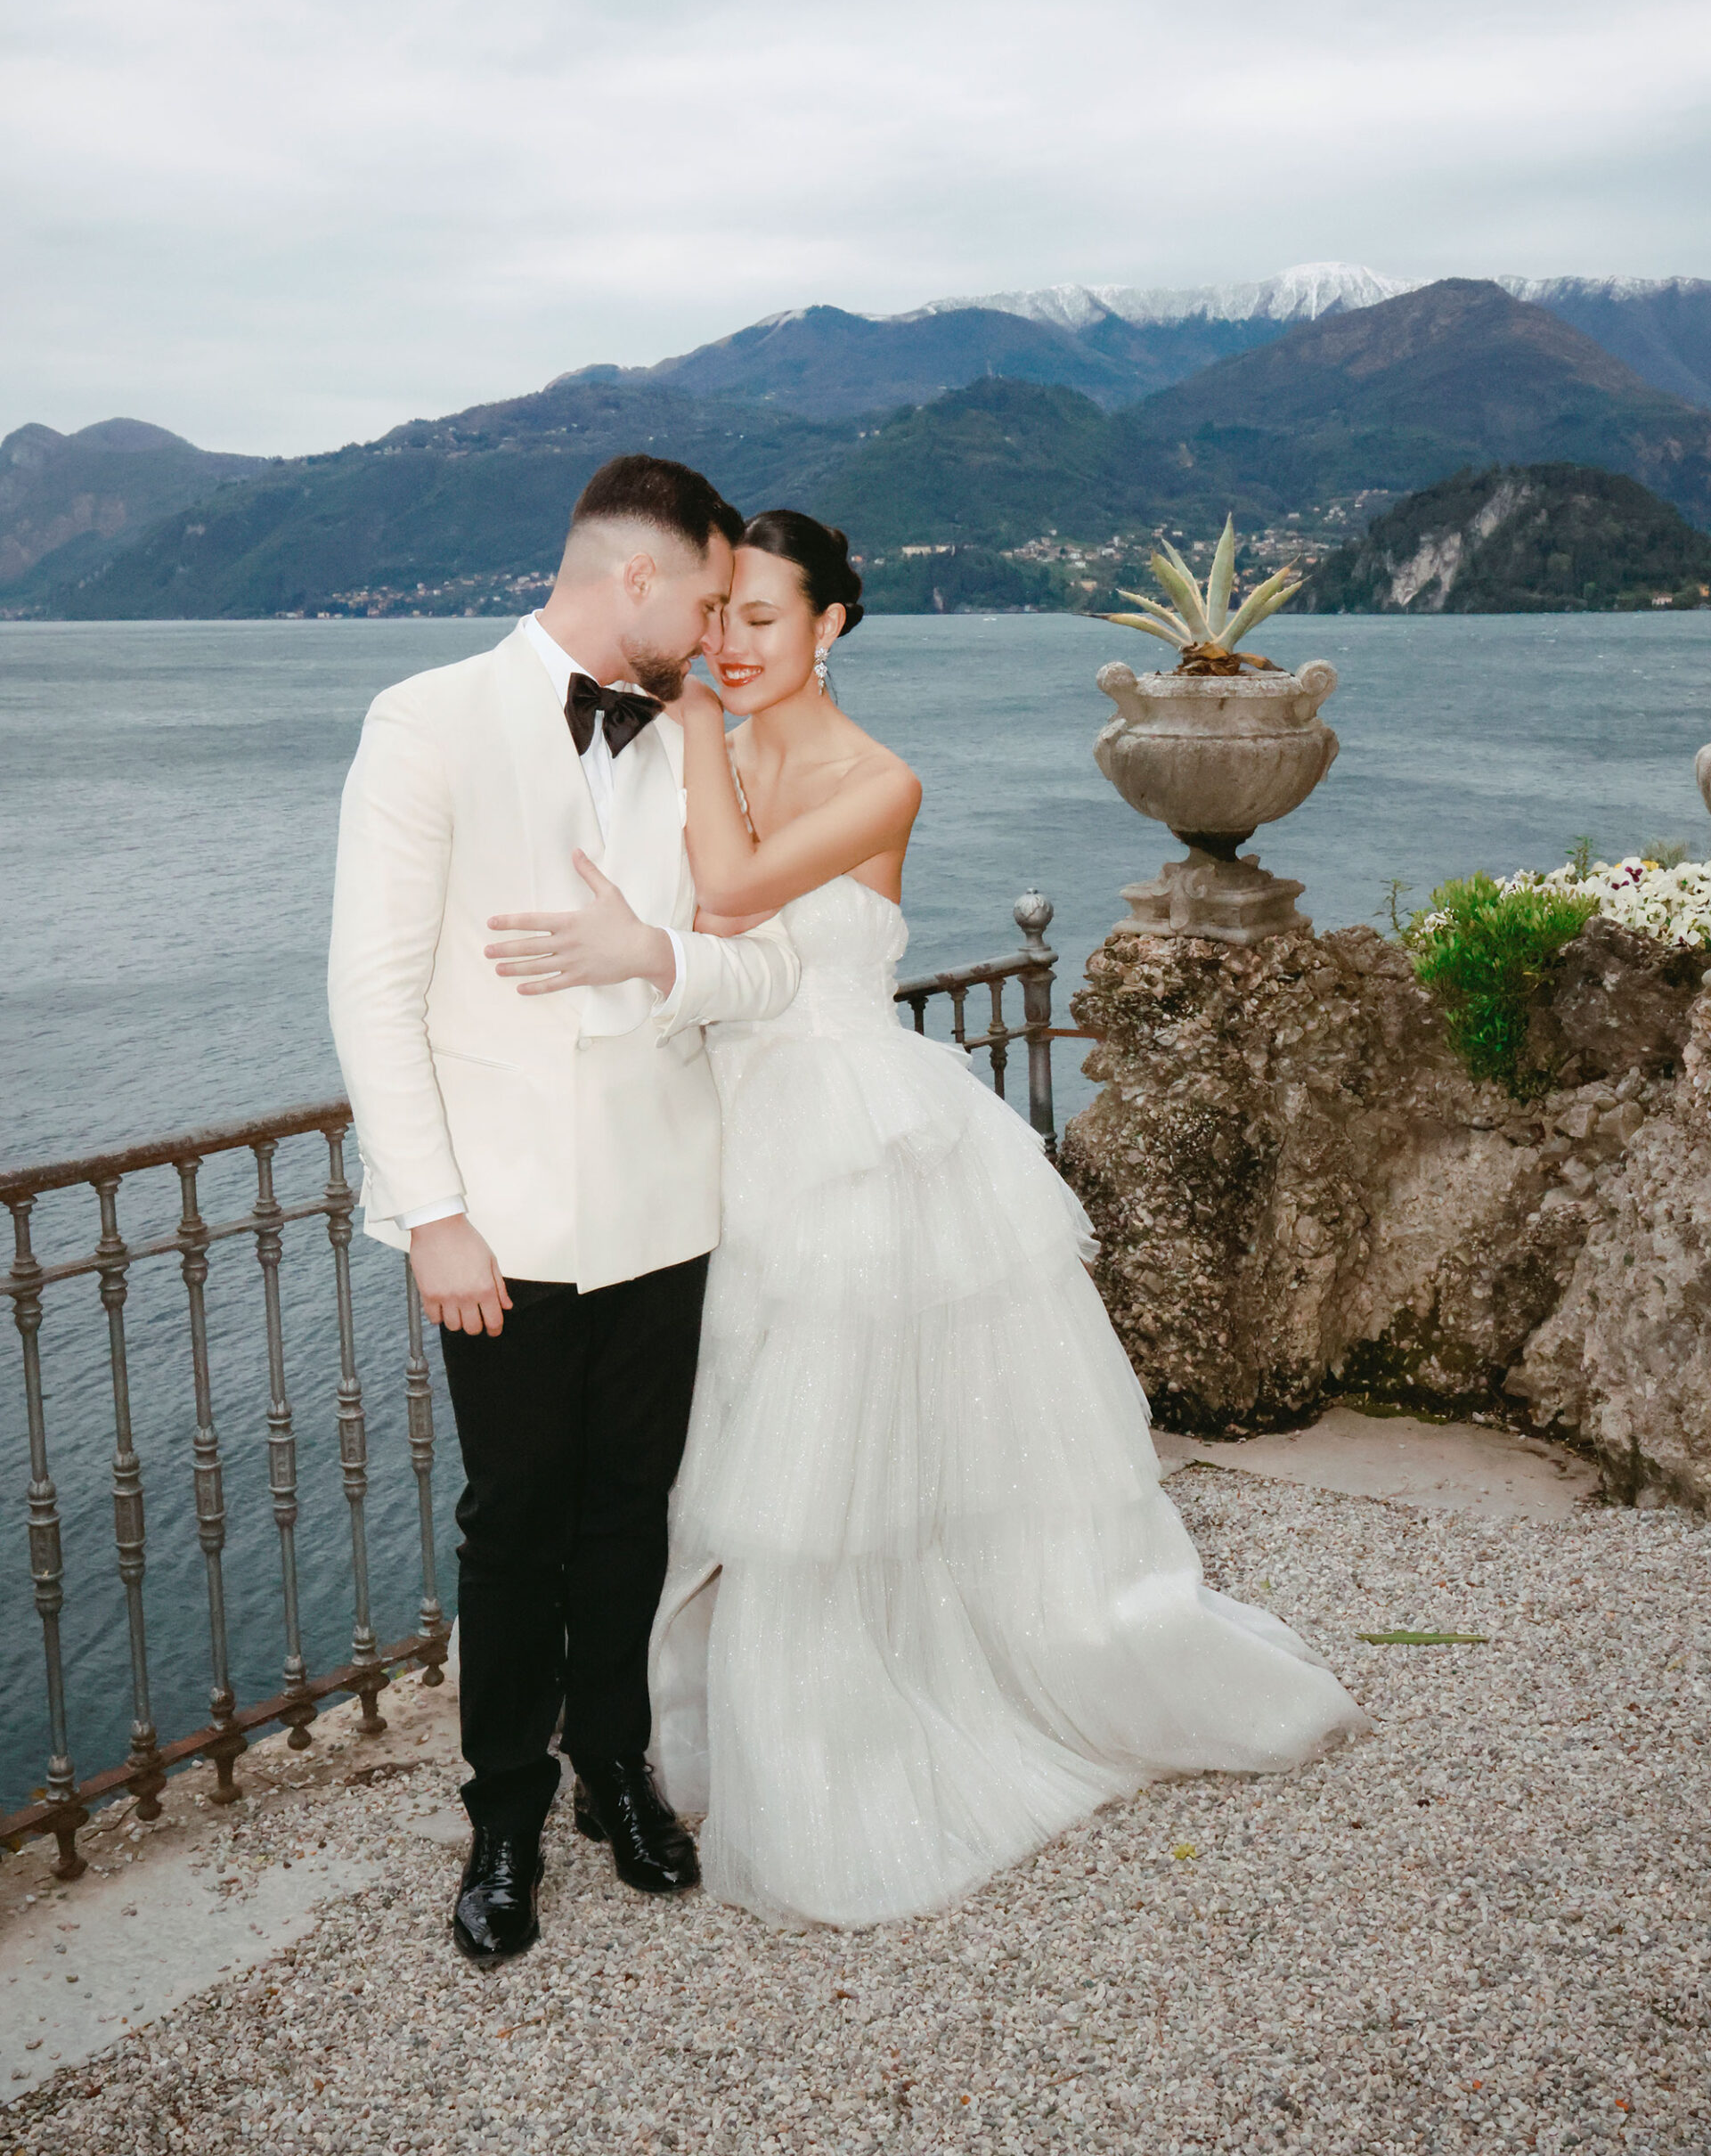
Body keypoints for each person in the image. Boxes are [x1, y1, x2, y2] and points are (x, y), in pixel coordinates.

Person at [647, 508, 1371, 1929]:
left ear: (828, 626)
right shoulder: (720, 758)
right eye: (716, 614)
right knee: (738, 1439)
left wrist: (681, 722)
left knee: (827, 1465)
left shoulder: (877, 780)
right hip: (718, 1127)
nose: (729, 643)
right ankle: (711, 1723)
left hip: (845, 1138)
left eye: (761, 617)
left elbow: (725, 897)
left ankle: (845, 1752)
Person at [328, 455, 801, 1965]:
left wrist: (650, 955)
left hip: (669, 1207)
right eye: (709, 602)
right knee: (513, 1522)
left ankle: (615, 1766)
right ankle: (504, 1818)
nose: (719, 634)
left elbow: (774, 966)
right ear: (637, 580)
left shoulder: (695, 744)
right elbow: (371, 995)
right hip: (501, 1229)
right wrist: (434, 1213)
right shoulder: (425, 720)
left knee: (628, 1513)